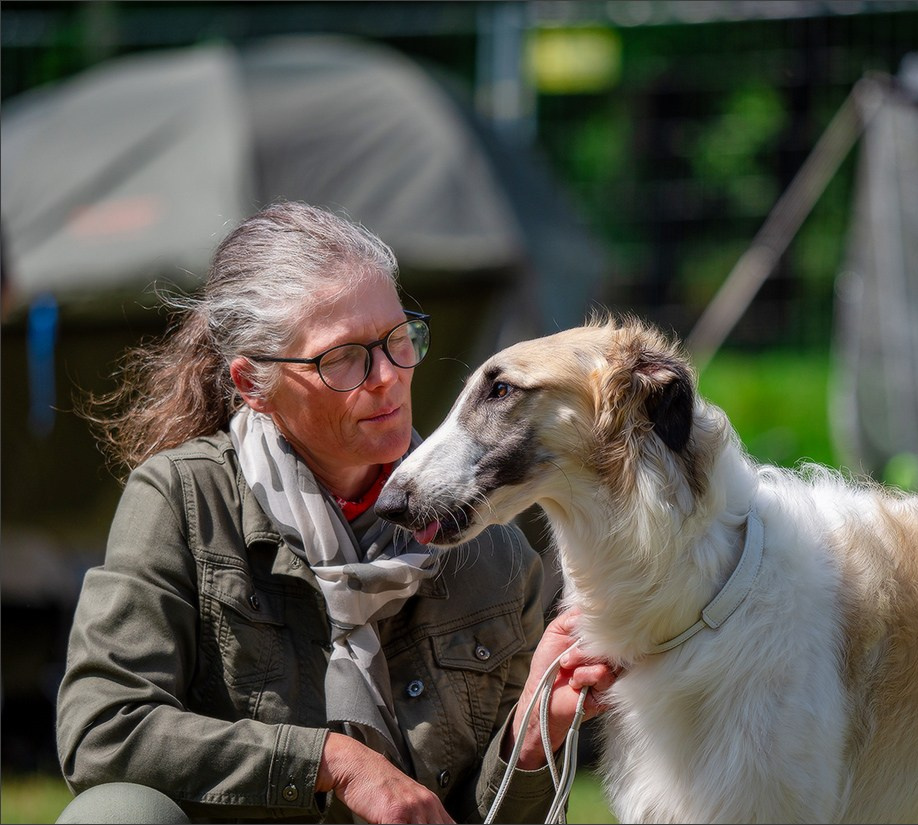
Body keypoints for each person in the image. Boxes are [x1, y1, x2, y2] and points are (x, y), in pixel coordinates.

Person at [55, 201, 617, 824]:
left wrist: (535, 735)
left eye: (398, 338)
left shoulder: (487, 541)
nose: (387, 376)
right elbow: (103, 731)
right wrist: (333, 762)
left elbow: (488, 814)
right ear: (252, 384)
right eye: (342, 357)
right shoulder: (183, 500)